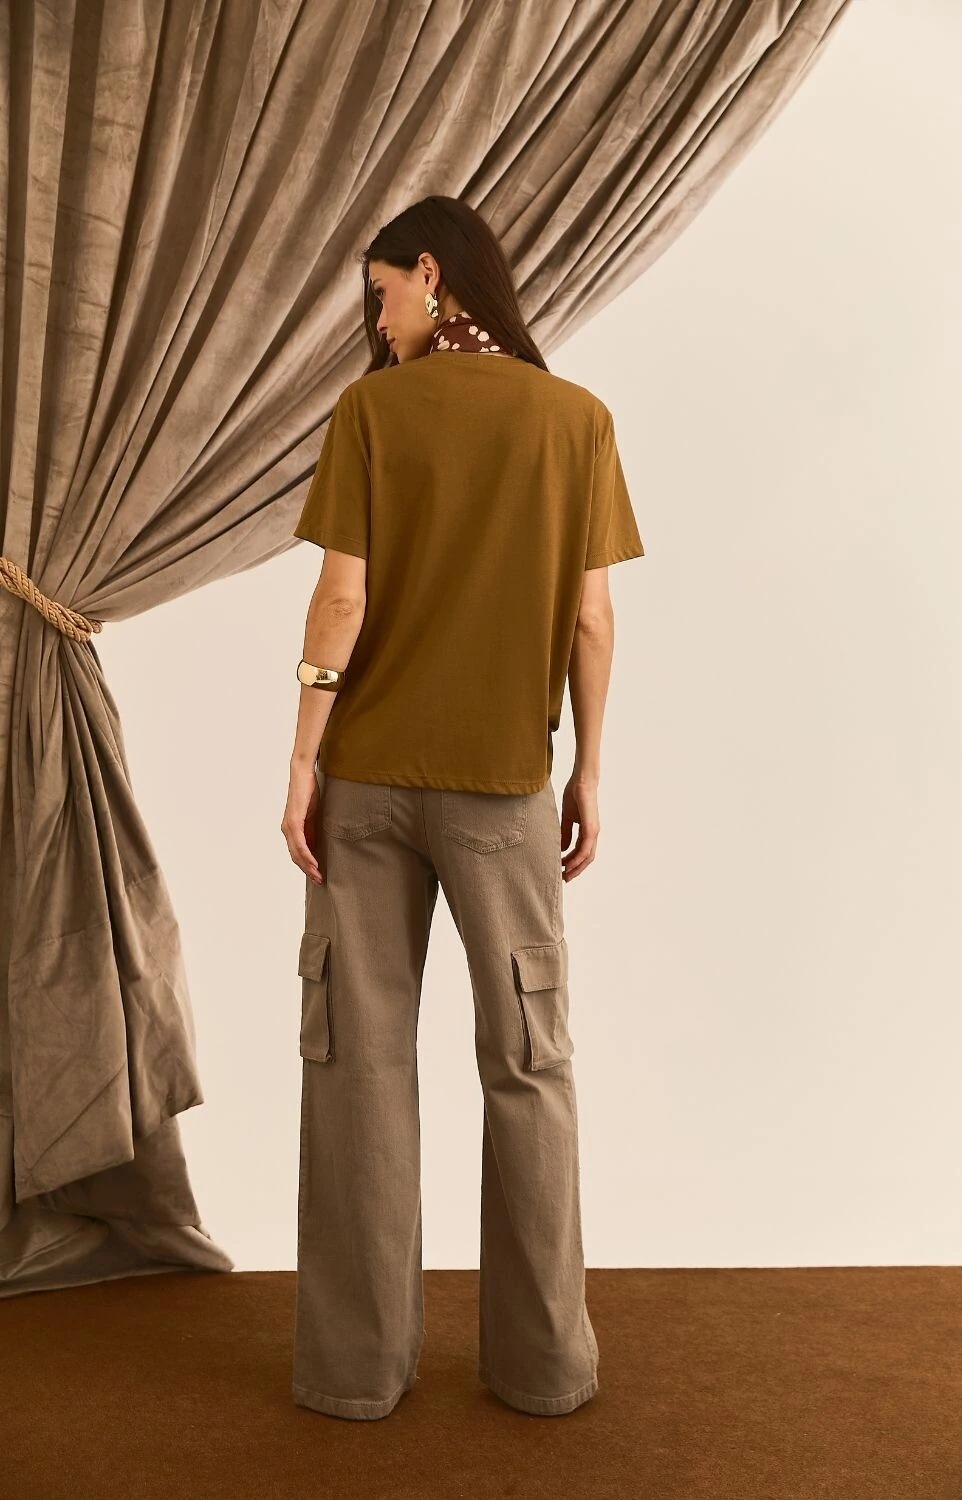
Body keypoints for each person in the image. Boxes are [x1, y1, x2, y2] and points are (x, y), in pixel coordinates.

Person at [280, 195, 645, 1421]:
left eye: (380, 292)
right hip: (506, 794)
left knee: (357, 1069)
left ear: (431, 275)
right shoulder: (575, 420)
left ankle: (354, 1373)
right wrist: (588, 768)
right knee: (529, 1067)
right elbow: (591, 618)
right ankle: (543, 1368)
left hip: (368, 790)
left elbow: (340, 602)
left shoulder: (372, 413)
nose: (375, 319)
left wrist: (301, 762)